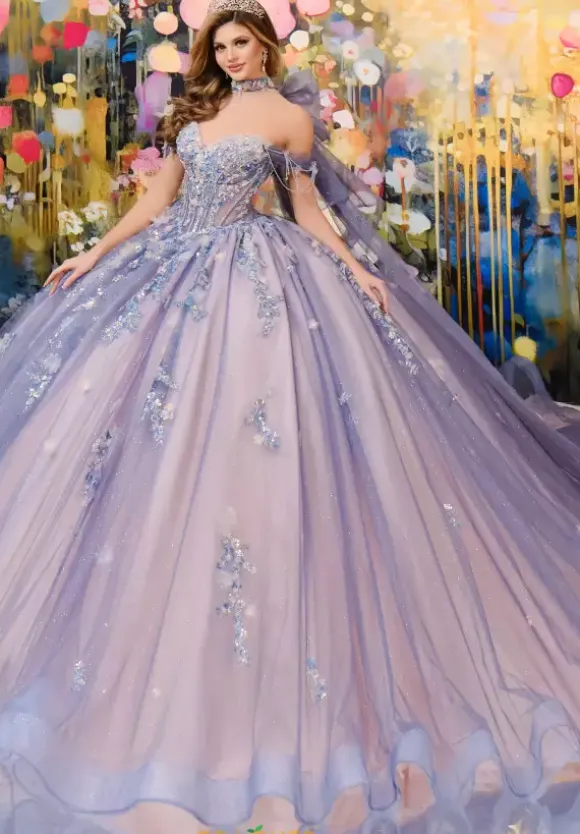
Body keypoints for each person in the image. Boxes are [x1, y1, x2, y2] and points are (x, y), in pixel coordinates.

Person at [1, 3, 580, 833]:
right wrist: (97, 250)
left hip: (258, 275)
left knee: (259, 427)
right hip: (171, 271)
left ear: (266, 46)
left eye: (242, 42)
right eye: (221, 45)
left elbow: (306, 209)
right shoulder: (195, 113)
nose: (231, 55)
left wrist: (356, 270)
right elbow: (159, 198)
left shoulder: (290, 120)